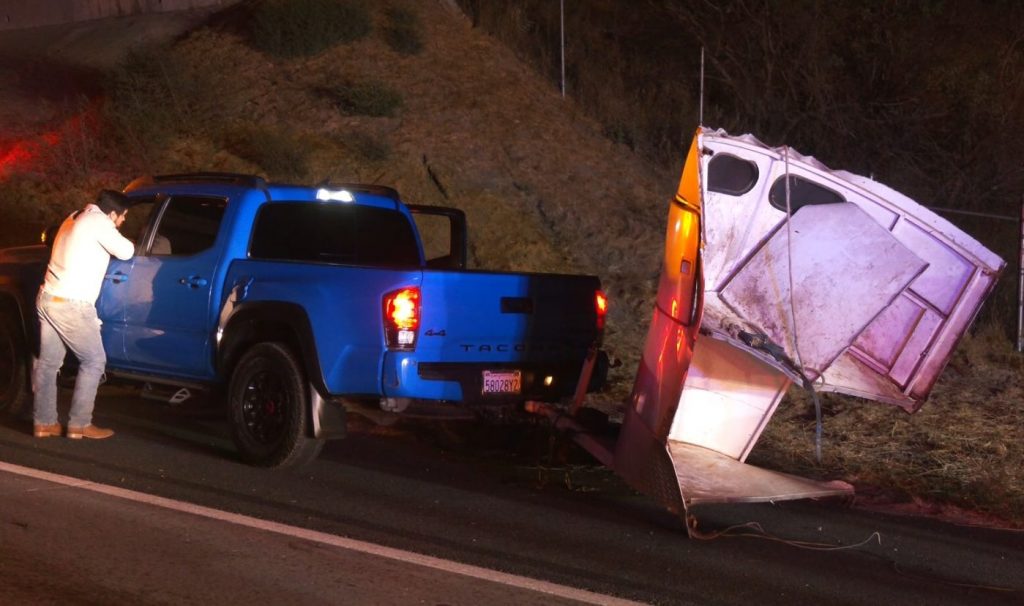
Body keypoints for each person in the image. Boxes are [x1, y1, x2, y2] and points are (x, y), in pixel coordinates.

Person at [32, 189, 134, 439]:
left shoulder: (74, 216)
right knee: (94, 361)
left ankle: (44, 423)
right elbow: (127, 251)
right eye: (122, 218)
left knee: (48, 363)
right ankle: (79, 423)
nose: (121, 223)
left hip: (48, 297)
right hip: (71, 303)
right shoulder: (99, 221)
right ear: (112, 213)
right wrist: (114, 230)